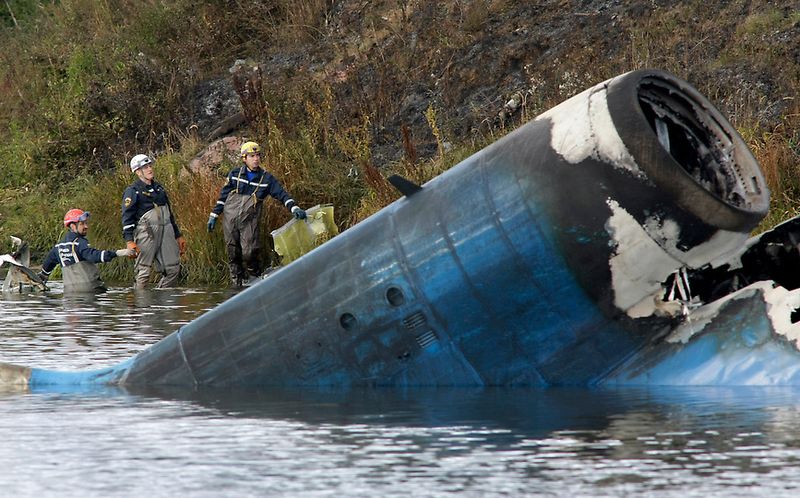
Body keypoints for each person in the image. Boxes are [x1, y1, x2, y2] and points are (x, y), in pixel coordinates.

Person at [207, 141, 306, 287]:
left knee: (249, 252)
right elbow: (223, 197)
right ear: (244, 158)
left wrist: (294, 208)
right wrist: (214, 216)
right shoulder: (235, 174)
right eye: (252, 156)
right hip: (230, 219)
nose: (256, 159)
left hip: (249, 221)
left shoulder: (266, 179)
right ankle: (237, 284)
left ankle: (255, 278)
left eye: (258, 155)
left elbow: (282, 195)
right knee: (232, 252)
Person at [122, 153, 186, 289]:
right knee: (143, 272)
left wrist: (178, 235)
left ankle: (162, 300)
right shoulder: (133, 191)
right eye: (145, 167)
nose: (150, 169)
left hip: (166, 231)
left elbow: (170, 213)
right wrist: (129, 241)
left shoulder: (159, 188)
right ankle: (141, 304)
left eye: (150, 165)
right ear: (138, 171)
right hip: (146, 233)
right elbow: (127, 218)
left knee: (173, 269)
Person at [38, 209, 133, 293]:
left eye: (86, 223)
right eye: (82, 224)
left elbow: (48, 265)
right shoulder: (80, 243)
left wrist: (43, 276)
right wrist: (119, 253)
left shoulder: (58, 247)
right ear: (72, 226)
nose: (86, 226)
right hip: (91, 290)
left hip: (70, 295)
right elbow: (93, 256)